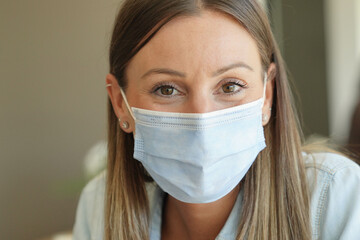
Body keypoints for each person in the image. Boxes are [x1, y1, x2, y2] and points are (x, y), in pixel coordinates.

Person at [73, 0, 360, 239]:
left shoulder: (337, 197)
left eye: (230, 86)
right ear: (120, 103)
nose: (202, 119)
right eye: (166, 89)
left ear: (267, 94)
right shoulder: (98, 206)